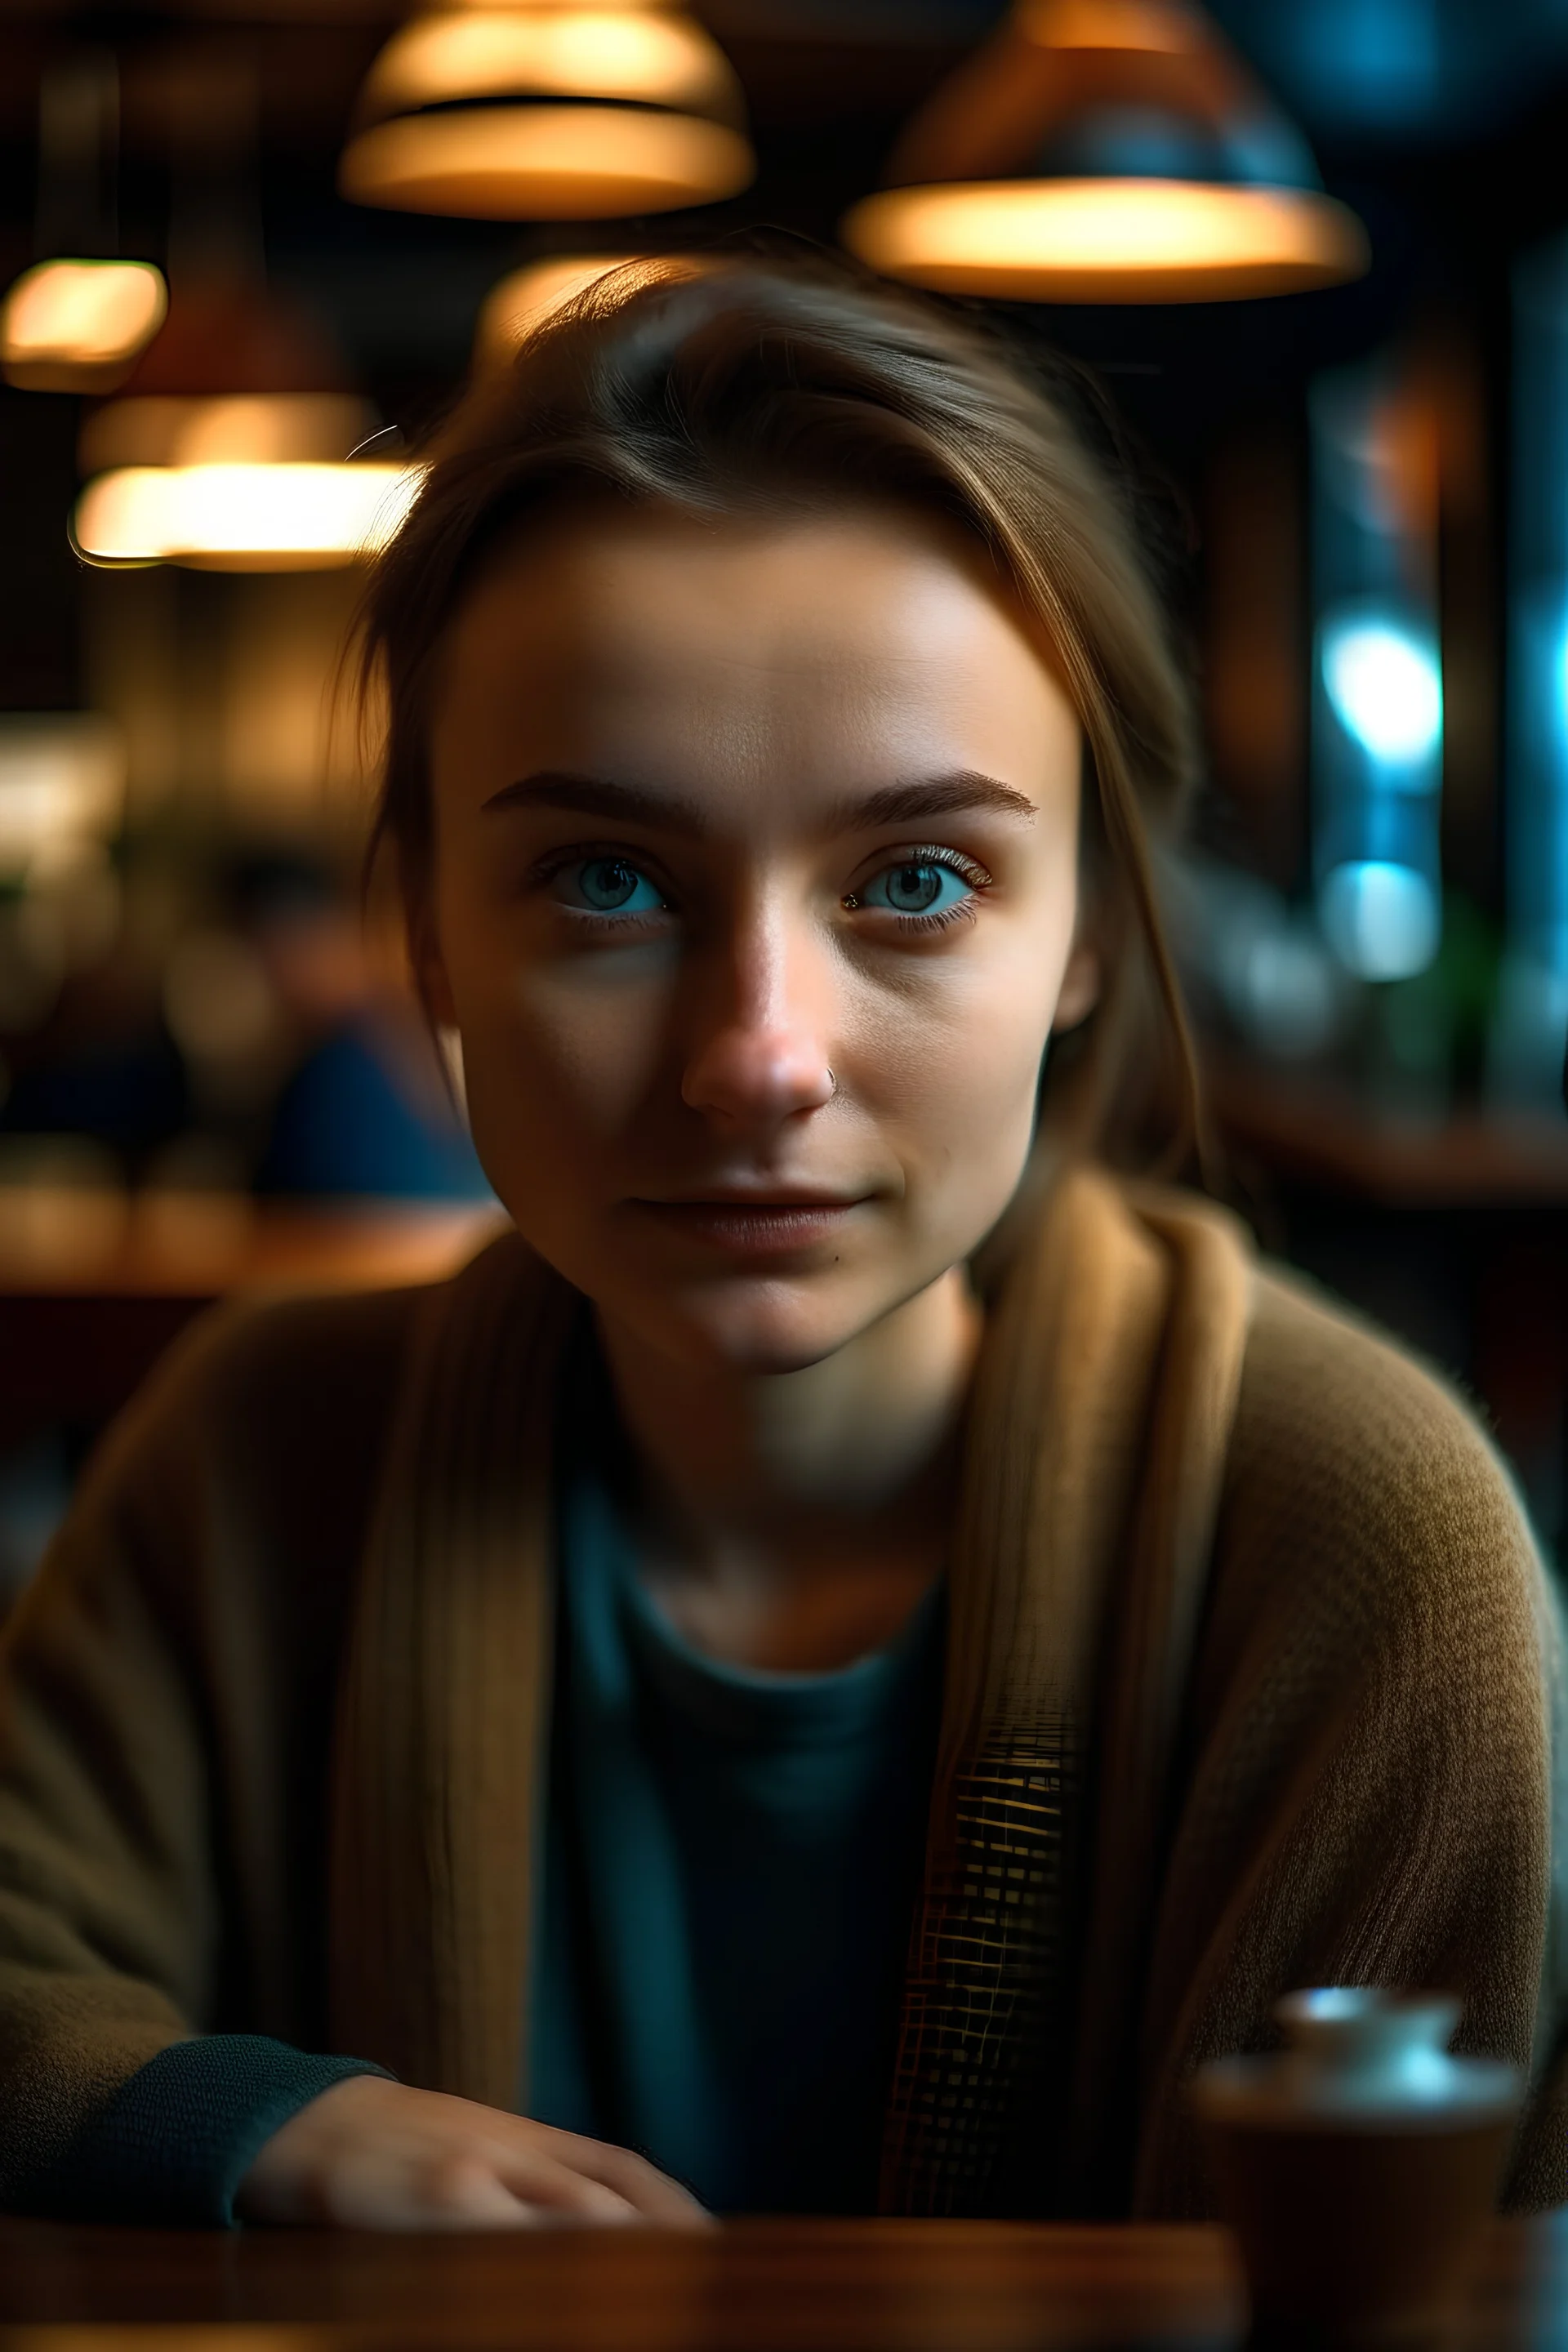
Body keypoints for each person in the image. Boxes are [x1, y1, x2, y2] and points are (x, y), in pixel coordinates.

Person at [0, 256, 1562, 2233]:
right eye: (604, 879)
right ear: (429, 942)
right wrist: (247, 2125)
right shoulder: (256, 1458)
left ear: (1086, 930)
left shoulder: (1354, 1545)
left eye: (915, 879)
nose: (757, 1059)